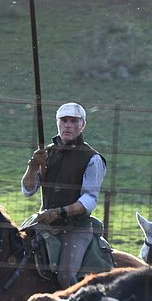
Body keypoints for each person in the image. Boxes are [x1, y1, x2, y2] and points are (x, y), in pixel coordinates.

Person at [22, 102, 106, 288]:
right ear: (58, 123)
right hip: (43, 223)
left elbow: (88, 201)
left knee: (65, 276)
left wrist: (57, 212)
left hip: (75, 228)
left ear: (82, 125)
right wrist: (33, 165)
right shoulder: (46, 153)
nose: (68, 125)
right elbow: (28, 190)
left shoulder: (93, 158)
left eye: (73, 121)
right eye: (64, 120)